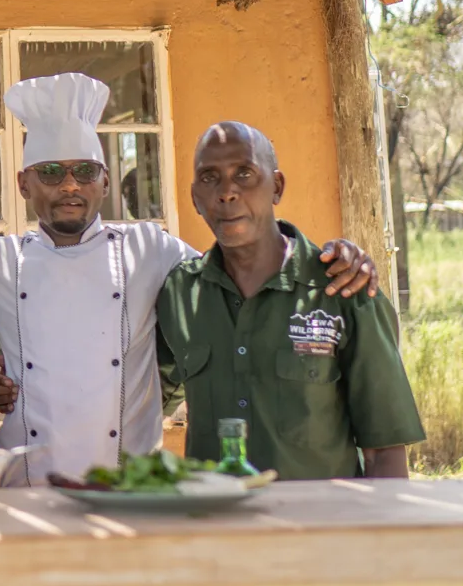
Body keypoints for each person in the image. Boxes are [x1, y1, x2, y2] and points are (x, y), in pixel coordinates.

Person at [0, 75, 380, 487]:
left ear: (105, 181)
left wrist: (330, 255)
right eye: (50, 172)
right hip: (29, 488)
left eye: (86, 171)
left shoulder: (150, 248)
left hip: (131, 487)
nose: (70, 184)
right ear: (23, 184)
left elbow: (238, 273)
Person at [156, 121, 423, 479]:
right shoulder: (179, 293)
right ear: (194, 198)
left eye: (245, 173)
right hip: (214, 524)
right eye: (209, 178)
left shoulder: (344, 290)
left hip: (320, 527)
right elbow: (146, 398)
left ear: (276, 187)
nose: (227, 192)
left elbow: (384, 452)